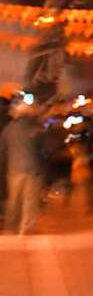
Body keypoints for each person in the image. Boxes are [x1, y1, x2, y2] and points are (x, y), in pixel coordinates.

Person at [0, 94, 43, 235]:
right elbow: (43, 148)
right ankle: (27, 227)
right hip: (33, 167)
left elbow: (3, 148)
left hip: (14, 168)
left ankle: (11, 227)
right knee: (30, 199)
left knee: (14, 199)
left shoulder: (9, 129)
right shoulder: (36, 128)